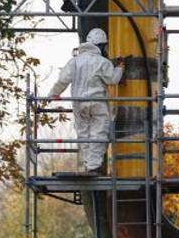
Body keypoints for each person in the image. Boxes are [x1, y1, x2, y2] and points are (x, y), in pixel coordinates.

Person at [47, 28, 124, 174]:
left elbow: (62, 80)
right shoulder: (103, 62)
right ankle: (93, 166)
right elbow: (113, 79)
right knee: (98, 133)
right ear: (101, 45)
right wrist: (120, 68)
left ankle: (86, 164)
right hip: (97, 103)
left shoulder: (74, 62)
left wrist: (52, 95)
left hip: (79, 102)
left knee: (83, 133)